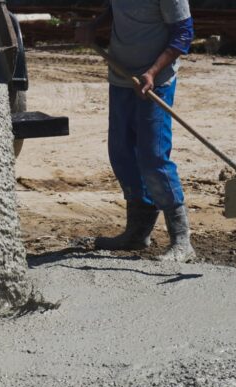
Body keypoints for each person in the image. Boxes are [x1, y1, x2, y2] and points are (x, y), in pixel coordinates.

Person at [76, 0, 196, 262]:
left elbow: (184, 32)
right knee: (121, 153)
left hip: (156, 82)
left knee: (153, 156)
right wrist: (93, 26)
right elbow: (117, 8)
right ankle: (137, 232)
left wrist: (153, 71)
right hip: (121, 77)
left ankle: (181, 239)